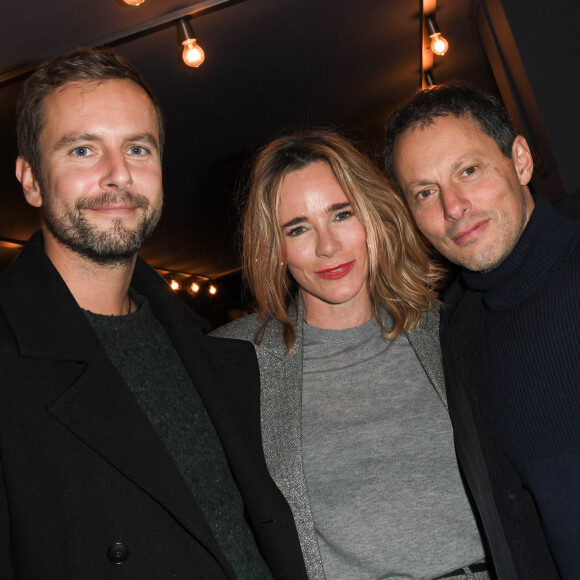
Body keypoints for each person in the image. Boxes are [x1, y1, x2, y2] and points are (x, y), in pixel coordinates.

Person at [0, 47, 308, 579]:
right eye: (82, 150)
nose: (118, 175)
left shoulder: (214, 350)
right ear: (30, 179)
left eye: (138, 148)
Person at [213, 128, 490, 579]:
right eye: (298, 228)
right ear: (275, 249)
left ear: (372, 217)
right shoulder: (236, 361)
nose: (327, 246)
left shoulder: (448, 327)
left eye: (341, 215)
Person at [384, 83, 571, 579]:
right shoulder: (459, 328)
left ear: (521, 161)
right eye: (425, 192)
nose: (453, 206)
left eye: (468, 170)